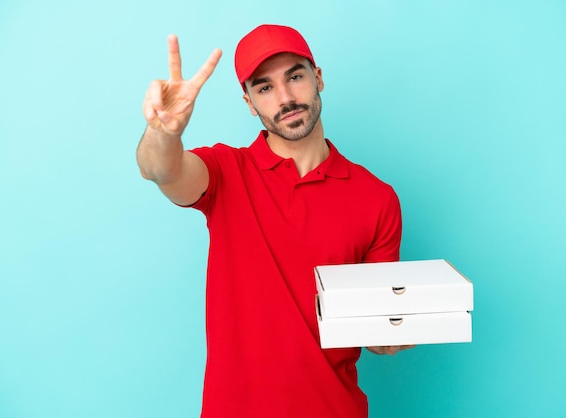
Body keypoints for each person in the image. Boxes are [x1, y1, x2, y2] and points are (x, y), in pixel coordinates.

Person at [137, 24, 413, 418]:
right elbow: (162, 170)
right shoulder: (225, 172)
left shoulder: (377, 198)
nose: (285, 98)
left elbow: (378, 327)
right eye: (264, 87)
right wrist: (161, 133)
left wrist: (393, 334)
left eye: (295, 77)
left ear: (317, 78)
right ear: (249, 103)